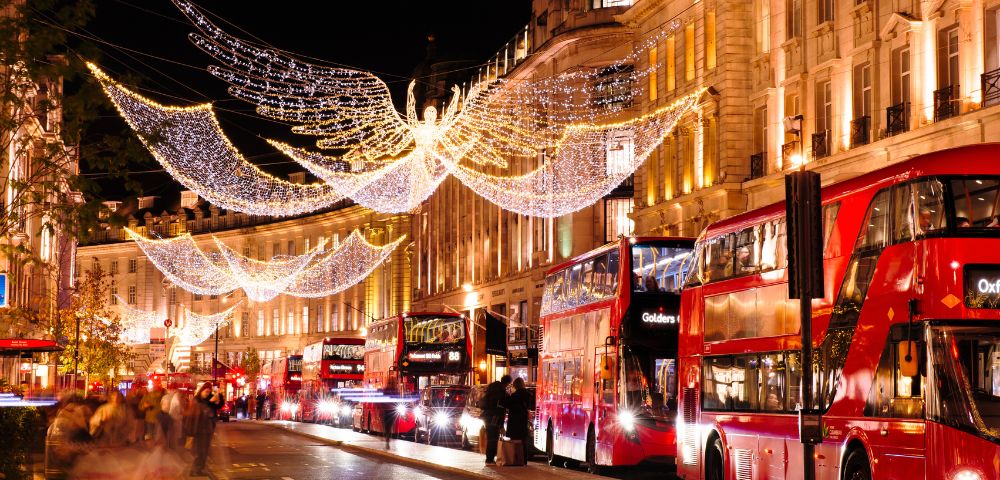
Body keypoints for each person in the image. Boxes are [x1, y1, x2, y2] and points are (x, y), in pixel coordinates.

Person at [185, 383, 224, 476]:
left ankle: (200, 469)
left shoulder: (208, 398)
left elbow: (218, 406)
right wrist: (211, 402)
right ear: (202, 390)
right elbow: (203, 411)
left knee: (205, 451)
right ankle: (195, 470)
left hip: (208, 428)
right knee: (199, 451)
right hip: (199, 429)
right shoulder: (197, 400)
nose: (208, 393)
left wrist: (220, 395)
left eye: (209, 391)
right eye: (206, 391)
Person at [480, 375, 512, 464]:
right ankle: (490, 458)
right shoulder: (500, 392)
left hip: (487, 416)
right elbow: (501, 409)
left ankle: (489, 457)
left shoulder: (492, 388)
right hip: (494, 417)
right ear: (507, 383)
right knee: (493, 438)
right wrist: (501, 425)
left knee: (491, 437)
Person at [502, 377, 531, 463]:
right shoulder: (528, 395)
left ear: (515, 386)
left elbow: (506, 404)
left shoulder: (514, 396)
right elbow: (528, 407)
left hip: (514, 421)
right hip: (523, 420)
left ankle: (515, 459)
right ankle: (524, 460)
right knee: (523, 441)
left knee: (514, 441)